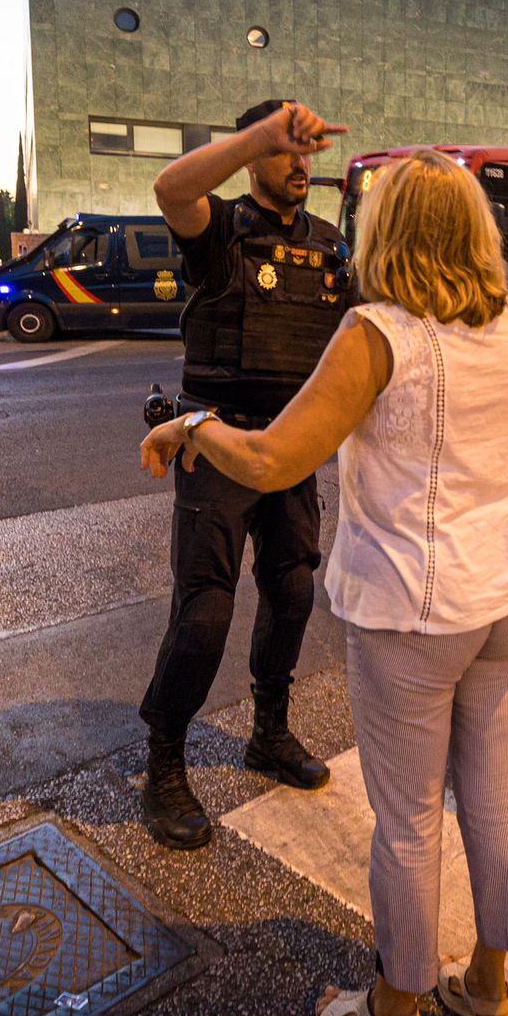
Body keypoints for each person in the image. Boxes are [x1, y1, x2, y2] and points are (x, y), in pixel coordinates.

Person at [143, 149, 508, 1016]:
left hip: (414, 609)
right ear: (479, 232)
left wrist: (194, 425)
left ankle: (393, 1012)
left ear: (383, 231)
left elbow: (275, 458)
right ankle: (491, 994)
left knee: (407, 820)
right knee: (497, 795)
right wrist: (504, 460)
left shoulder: (377, 332)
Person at [134, 99, 356, 851]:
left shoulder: (329, 246)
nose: (301, 164)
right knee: (204, 614)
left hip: (292, 444)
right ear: (255, 152)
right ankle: (164, 763)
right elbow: (170, 190)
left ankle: (269, 731)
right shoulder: (221, 231)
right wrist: (256, 135)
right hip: (217, 438)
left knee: (293, 593)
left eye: (306, 153)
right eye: (287, 150)